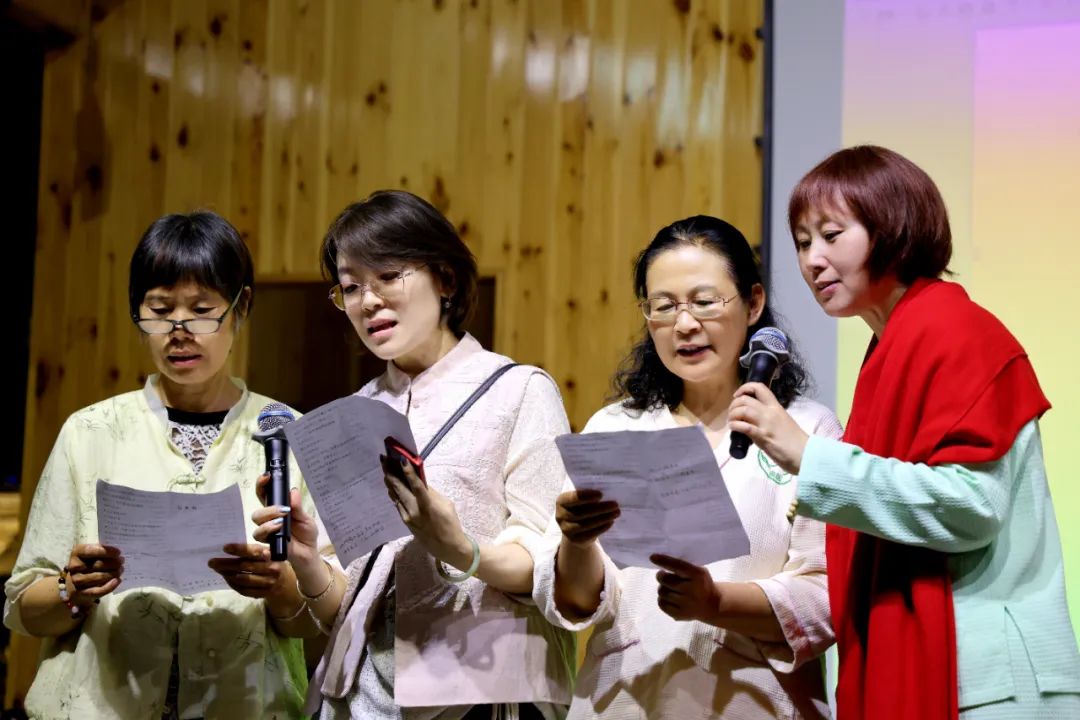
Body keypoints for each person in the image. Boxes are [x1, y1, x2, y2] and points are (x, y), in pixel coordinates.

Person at [729, 145, 1080, 719]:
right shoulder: (892, 345)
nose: (813, 259)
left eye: (831, 235)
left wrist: (809, 457)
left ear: (892, 227)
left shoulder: (955, 330)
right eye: (802, 242)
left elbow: (972, 507)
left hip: (988, 684)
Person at [251, 189, 575, 719]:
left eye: (387, 276)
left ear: (445, 279)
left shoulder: (519, 390)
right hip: (360, 698)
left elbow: (552, 570)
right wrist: (307, 561)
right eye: (350, 287)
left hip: (478, 691)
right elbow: (339, 605)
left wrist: (457, 546)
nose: (367, 301)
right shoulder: (352, 414)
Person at [3, 211, 319, 718]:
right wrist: (71, 589)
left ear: (241, 307)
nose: (179, 330)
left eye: (202, 310)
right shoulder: (89, 432)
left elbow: (320, 616)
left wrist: (279, 585)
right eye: (159, 309)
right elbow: (23, 608)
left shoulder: (285, 433)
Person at [535, 215, 840, 719]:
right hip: (623, 704)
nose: (684, 324)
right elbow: (575, 600)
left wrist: (715, 602)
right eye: (663, 306)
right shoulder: (615, 428)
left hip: (753, 706)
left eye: (704, 302)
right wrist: (577, 541)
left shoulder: (807, 429)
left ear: (753, 303)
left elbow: (826, 594)